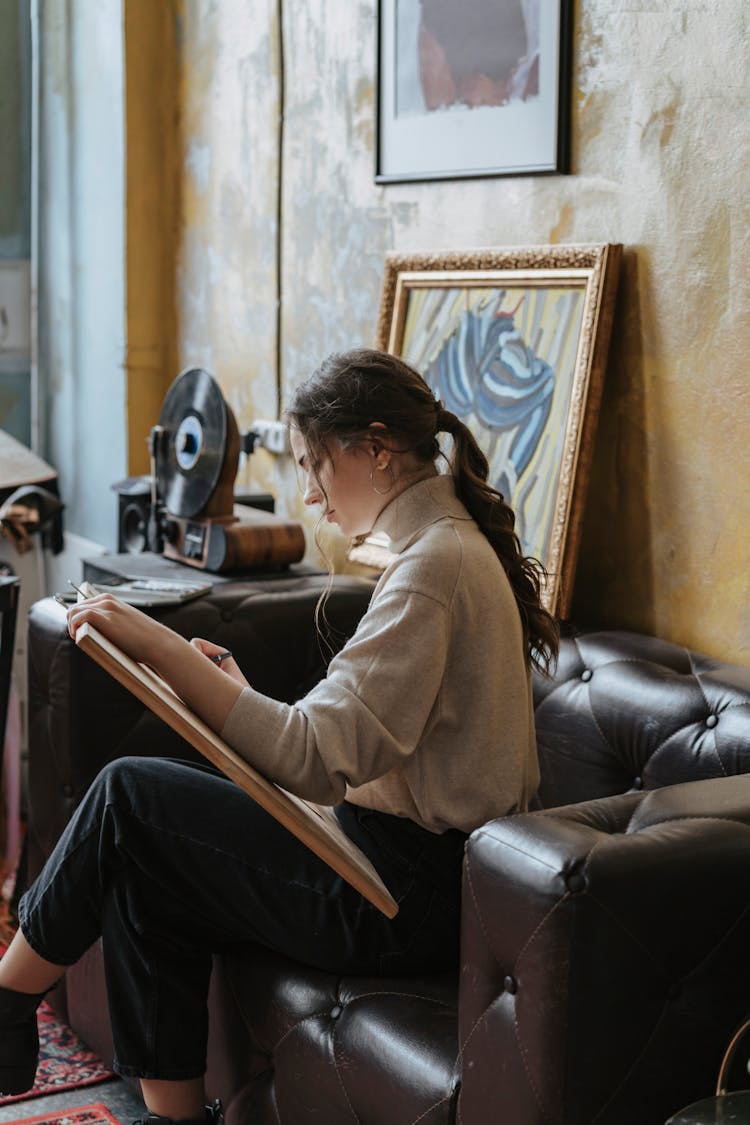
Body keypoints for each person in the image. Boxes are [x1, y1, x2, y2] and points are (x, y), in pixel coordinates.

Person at [0, 348, 558, 1125]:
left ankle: (7, 996)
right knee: (143, 867)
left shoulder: (436, 567)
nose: (310, 495)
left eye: (314, 464)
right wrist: (240, 695)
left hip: (403, 894)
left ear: (376, 447)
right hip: (391, 862)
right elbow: (349, 742)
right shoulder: (441, 552)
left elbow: (310, 757)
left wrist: (153, 640)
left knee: (128, 792)